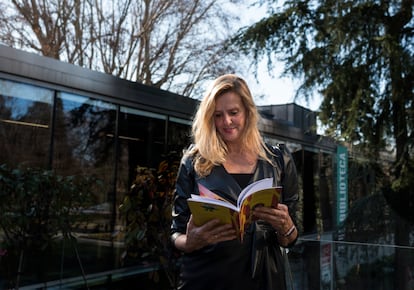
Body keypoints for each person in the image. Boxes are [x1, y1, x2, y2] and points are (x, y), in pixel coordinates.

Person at [170, 74, 299, 290]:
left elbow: (293, 237)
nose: (226, 122)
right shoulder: (194, 161)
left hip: (264, 280)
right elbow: (175, 232)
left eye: (233, 113)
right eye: (218, 115)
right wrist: (190, 242)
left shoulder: (279, 160)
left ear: (248, 111)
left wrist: (286, 227)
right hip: (205, 279)